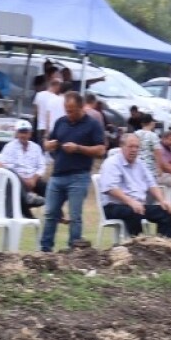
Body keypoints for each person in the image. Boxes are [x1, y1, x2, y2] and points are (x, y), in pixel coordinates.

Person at [39, 91, 106, 252]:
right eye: (66, 110)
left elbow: (101, 150)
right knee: (50, 213)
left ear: (81, 107)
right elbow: (48, 141)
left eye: (72, 110)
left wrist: (78, 148)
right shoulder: (61, 122)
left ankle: (73, 250)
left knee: (75, 216)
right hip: (58, 174)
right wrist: (48, 145)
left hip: (79, 176)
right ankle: (45, 249)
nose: (68, 114)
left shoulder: (92, 125)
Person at [97, 133, 171, 238]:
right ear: (122, 147)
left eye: (137, 147)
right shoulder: (112, 163)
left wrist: (162, 201)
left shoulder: (140, 163)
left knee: (165, 212)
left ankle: (165, 246)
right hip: (114, 206)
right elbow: (111, 188)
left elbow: (151, 183)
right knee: (134, 211)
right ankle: (138, 246)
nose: (134, 150)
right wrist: (130, 202)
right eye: (130, 146)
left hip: (137, 205)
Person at [0, 120, 47, 217]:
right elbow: (8, 167)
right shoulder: (9, 147)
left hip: (33, 179)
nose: (23, 135)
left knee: (50, 189)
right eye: (21, 132)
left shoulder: (36, 147)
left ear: (30, 134)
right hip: (16, 179)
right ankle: (28, 211)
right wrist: (24, 181)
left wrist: (33, 179)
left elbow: (41, 166)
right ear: (16, 133)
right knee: (16, 183)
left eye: (25, 132)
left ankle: (56, 214)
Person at [33, 77, 65, 145]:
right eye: (60, 86)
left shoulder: (39, 94)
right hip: (50, 128)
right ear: (56, 85)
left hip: (40, 127)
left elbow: (35, 112)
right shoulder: (55, 98)